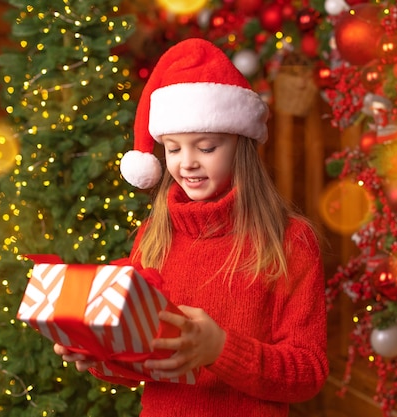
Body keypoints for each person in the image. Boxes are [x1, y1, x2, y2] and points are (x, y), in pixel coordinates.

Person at [54, 38, 328, 417]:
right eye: (173, 148)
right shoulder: (154, 235)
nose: (187, 164)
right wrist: (100, 353)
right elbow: (148, 358)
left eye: (206, 147)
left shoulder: (289, 241)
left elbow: (308, 373)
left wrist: (220, 349)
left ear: (240, 145)